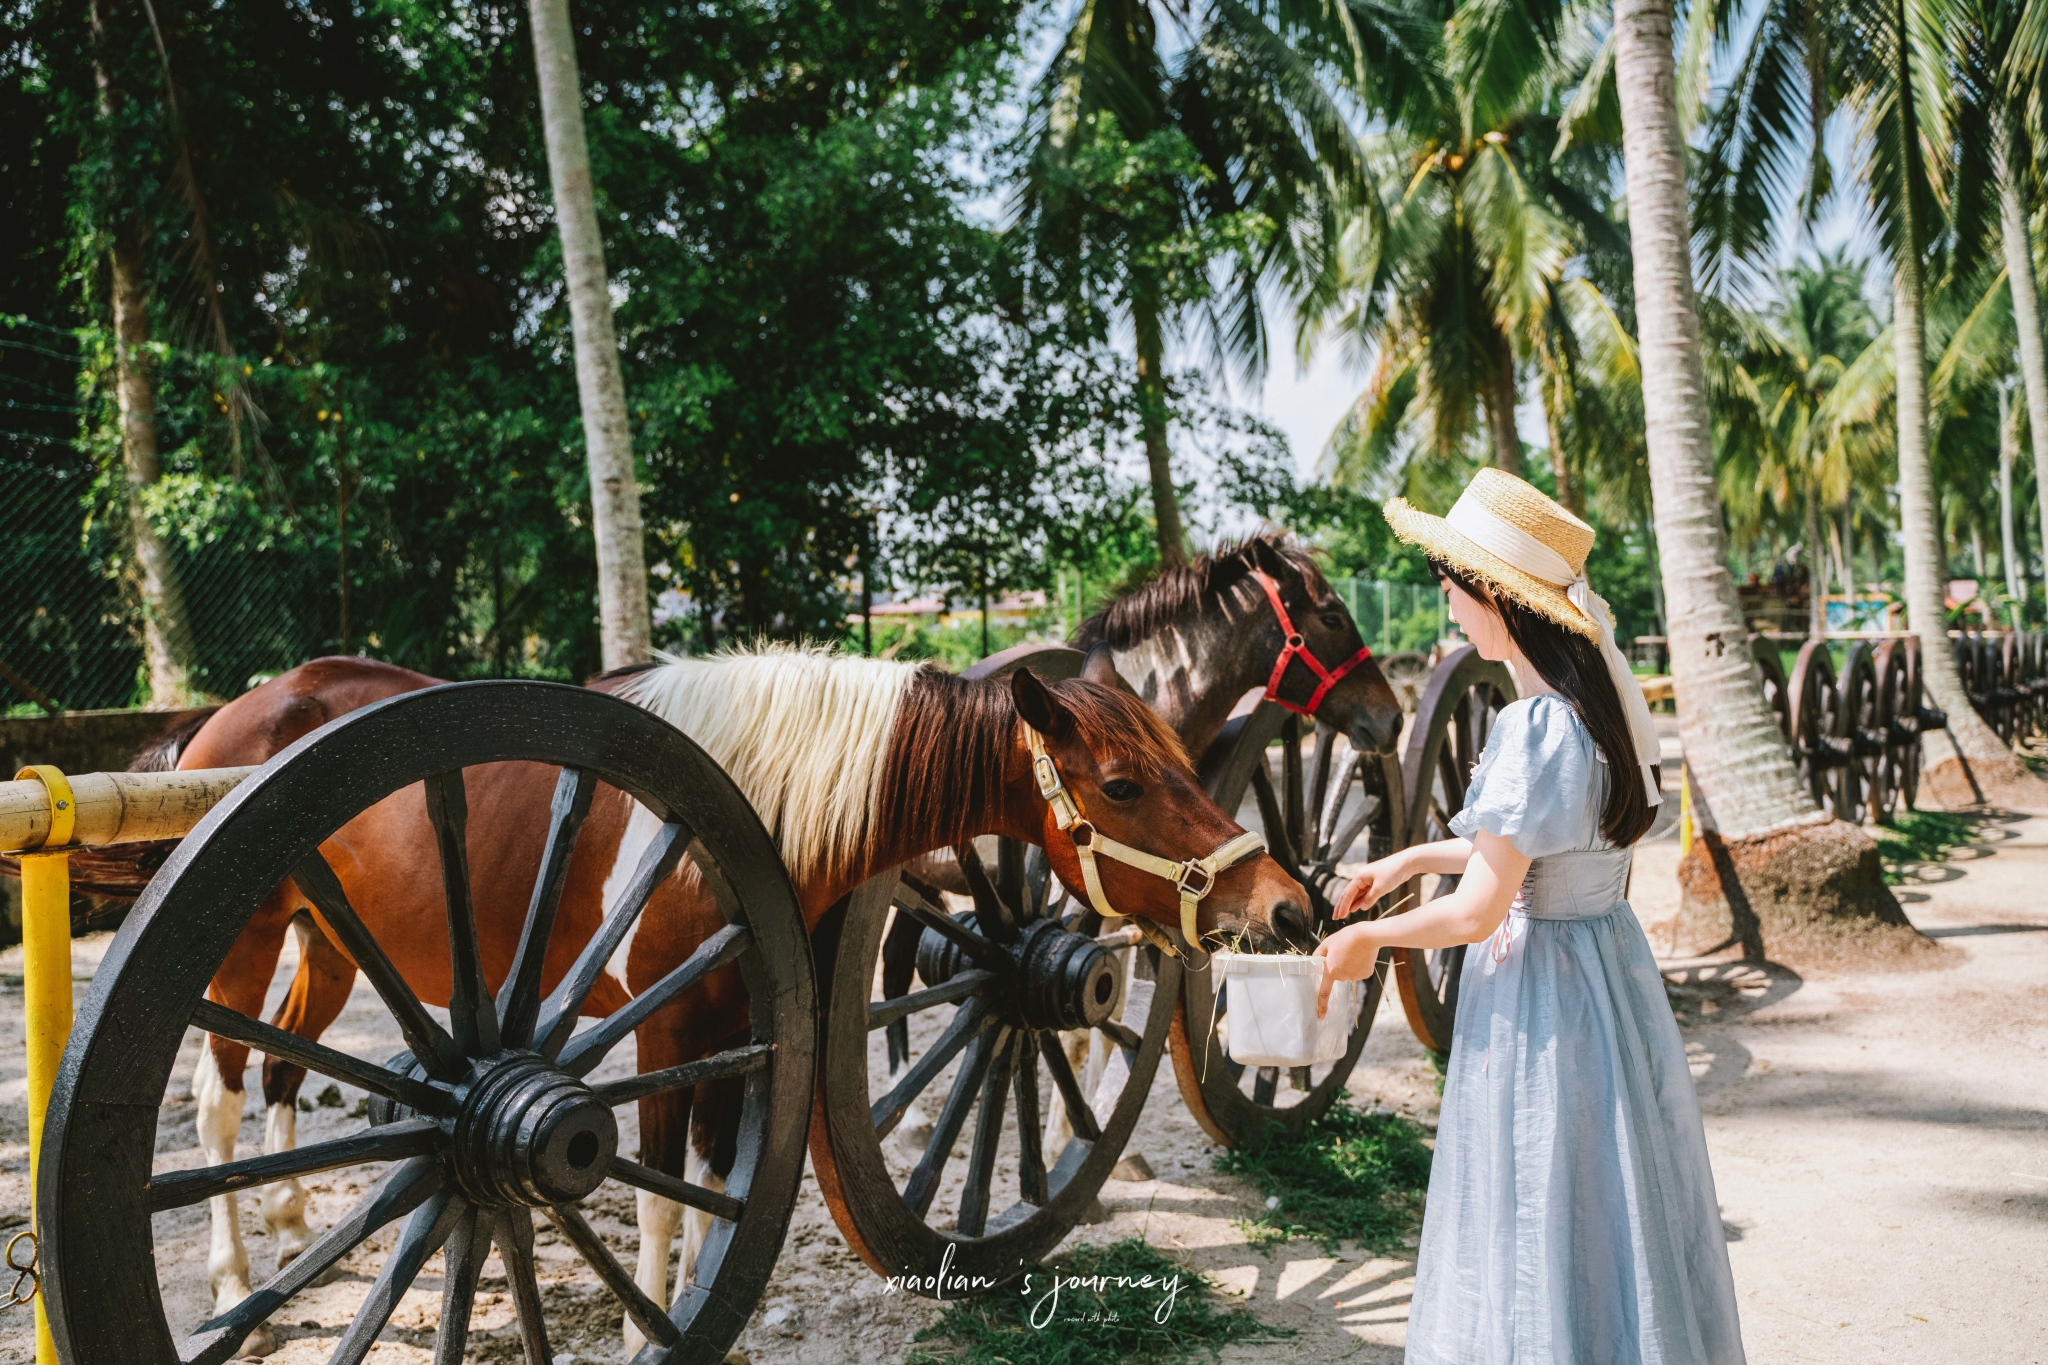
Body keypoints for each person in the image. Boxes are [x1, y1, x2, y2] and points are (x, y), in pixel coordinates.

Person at [1314, 469, 1746, 1365]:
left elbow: (1479, 911)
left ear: (1497, 602)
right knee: (1609, 1193)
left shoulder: (1535, 726)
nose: (1446, 595)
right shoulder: (1598, 716)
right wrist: (1405, 860)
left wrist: (1368, 937)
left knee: (1535, 1194)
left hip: (1543, 991)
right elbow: (1536, 848)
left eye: (1455, 580)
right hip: (1608, 975)